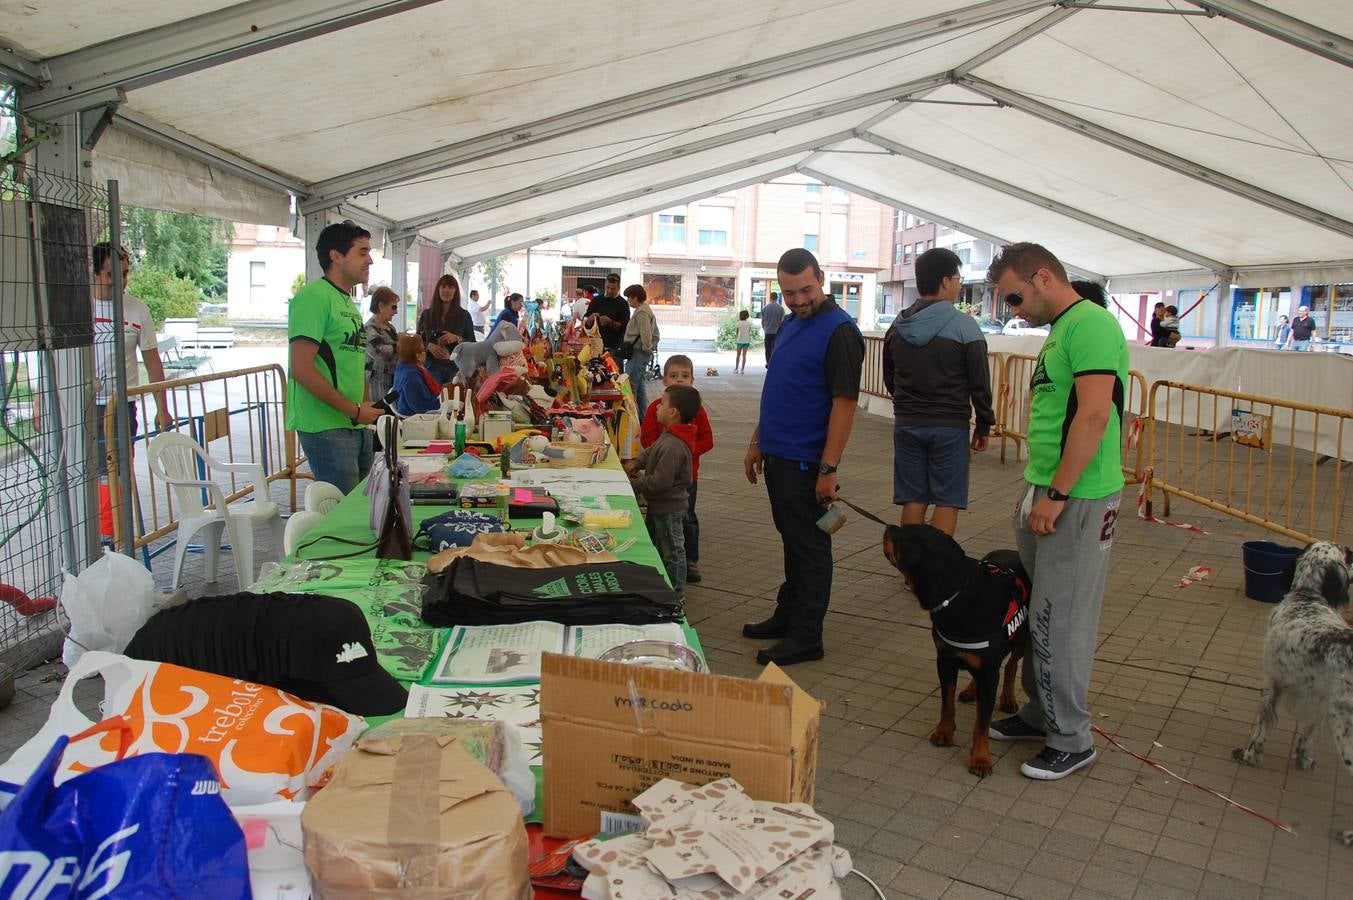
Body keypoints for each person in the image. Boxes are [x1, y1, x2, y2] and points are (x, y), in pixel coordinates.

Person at [985, 242, 1127, 781]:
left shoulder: (1089, 325)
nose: (1013, 310)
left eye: (1014, 297)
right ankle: (1042, 712)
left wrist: (1059, 494)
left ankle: (1072, 737)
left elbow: (1092, 417)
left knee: (1059, 620)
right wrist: (1038, 491)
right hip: (1046, 489)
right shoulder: (1061, 330)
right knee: (1041, 610)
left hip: (1078, 497)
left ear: (1043, 277)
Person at [743, 248, 864, 666]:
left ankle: (807, 636)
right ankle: (788, 614)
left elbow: (844, 405)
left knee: (810, 549)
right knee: (792, 542)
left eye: (805, 290)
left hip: (807, 464)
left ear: (822, 278)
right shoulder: (794, 323)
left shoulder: (840, 331)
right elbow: (780, 387)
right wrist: (758, 439)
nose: (797, 299)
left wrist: (828, 468)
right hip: (778, 456)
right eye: (789, 292)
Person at [882, 247, 994, 536]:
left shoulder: (897, 326)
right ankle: (936, 573)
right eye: (958, 278)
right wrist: (983, 424)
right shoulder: (965, 327)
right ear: (945, 281)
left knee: (914, 498)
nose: (959, 284)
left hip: (907, 424)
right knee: (947, 500)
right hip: (949, 426)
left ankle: (911, 573)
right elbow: (979, 383)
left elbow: (889, 377)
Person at [287, 222, 384, 495]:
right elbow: (302, 369)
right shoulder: (313, 297)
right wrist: (353, 410)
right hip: (326, 426)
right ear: (336, 255)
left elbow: (354, 362)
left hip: (354, 423)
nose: (370, 260)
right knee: (342, 516)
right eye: (362, 252)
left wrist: (364, 412)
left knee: (359, 507)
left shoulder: (346, 302)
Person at [641, 355, 713, 585]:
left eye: (684, 376)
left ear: (692, 380)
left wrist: (684, 452)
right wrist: (660, 455)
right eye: (673, 376)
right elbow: (647, 438)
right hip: (660, 477)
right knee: (656, 517)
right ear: (663, 380)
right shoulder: (657, 408)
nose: (679, 381)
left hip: (687, 478)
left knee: (687, 518)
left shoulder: (696, 410)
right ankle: (656, 555)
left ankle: (689, 560)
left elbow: (707, 440)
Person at [625, 384, 701, 597]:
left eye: (662, 403)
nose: (657, 406)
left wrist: (636, 484)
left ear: (672, 412)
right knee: (657, 546)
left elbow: (660, 482)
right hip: (659, 506)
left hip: (668, 508)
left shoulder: (674, 445)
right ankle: (657, 584)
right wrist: (638, 462)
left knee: (672, 551)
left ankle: (675, 595)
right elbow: (651, 451)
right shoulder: (669, 436)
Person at [417, 274, 476, 382]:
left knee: (453, 397)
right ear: (438, 290)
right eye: (443, 287)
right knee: (433, 397)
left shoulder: (464, 316)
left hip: (456, 368)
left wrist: (457, 338)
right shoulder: (426, 315)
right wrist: (428, 345)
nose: (446, 291)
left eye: (450, 287)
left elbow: (472, 343)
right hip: (431, 367)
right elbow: (418, 339)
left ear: (455, 291)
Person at [622, 284, 659, 413]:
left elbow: (646, 334)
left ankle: (631, 416)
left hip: (638, 353)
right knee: (640, 387)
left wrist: (647, 349)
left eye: (629, 298)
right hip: (640, 353)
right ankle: (643, 416)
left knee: (629, 385)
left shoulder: (642, 312)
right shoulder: (645, 309)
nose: (628, 301)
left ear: (635, 297)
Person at [363, 286, 400, 402]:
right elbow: (378, 351)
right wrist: (402, 345)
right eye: (393, 307)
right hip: (376, 385)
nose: (396, 312)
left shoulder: (390, 328)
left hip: (392, 381)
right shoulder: (368, 329)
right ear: (381, 306)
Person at [391, 334, 442, 416]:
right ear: (418, 356)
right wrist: (443, 400)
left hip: (407, 408)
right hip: (414, 415)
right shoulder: (412, 376)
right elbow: (419, 405)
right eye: (424, 351)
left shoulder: (402, 367)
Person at [585, 273, 630, 353]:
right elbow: (586, 324)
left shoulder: (623, 304)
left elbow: (625, 327)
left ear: (618, 288)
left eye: (613, 288)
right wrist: (591, 318)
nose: (609, 291)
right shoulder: (596, 300)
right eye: (607, 287)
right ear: (605, 285)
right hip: (595, 346)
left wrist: (610, 322)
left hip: (615, 348)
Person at [760, 291, 785, 363]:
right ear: (777, 298)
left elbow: (762, 321)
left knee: (767, 349)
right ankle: (773, 363)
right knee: (775, 349)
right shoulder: (781, 309)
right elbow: (782, 321)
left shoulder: (765, 308)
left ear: (770, 298)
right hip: (776, 332)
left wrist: (764, 329)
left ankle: (768, 363)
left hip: (767, 331)